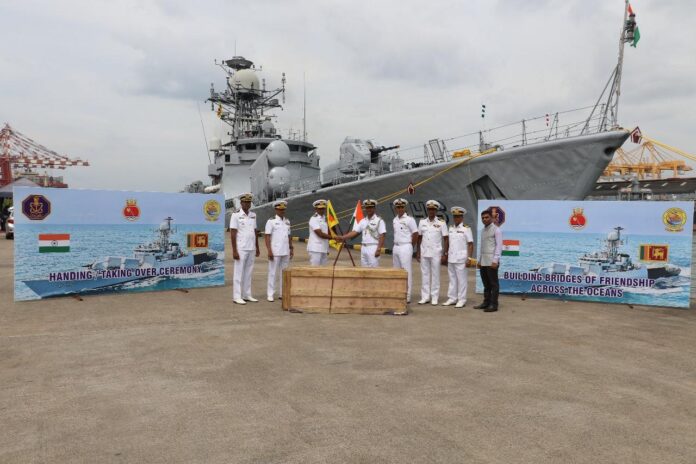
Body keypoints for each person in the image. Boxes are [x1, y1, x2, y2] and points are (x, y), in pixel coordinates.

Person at [416, 200, 448, 305]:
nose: (431, 211)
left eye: (433, 209)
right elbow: (419, 237)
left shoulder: (441, 223)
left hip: (436, 253)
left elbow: (446, 239)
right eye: (429, 209)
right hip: (424, 252)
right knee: (424, 275)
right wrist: (418, 251)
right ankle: (425, 297)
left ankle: (434, 297)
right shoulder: (422, 222)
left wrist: (445, 253)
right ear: (427, 210)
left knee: (435, 275)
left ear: (436, 210)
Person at [230, 193, 260, 305]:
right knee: (238, 273)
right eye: (245, 202)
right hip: (241, 248)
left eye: (249, 202)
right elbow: (233, 233)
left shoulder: (253, 215)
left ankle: (247, 294)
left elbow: (255, 232)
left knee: (248, 272)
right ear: (241, 203)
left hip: (251, 247)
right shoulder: (236, 215)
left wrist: (257, 247)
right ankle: (237, 296)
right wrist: (234, 250)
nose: (247, 204)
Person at [339, 199, 386, 268]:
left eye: (371, 207)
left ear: (374, 208)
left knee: (373, 271)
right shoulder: (363, 221)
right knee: (364, 270)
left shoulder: (379, 221)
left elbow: (382, 235)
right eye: (367, 207)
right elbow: (354, 232)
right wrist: (342, 237)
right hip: (363, 248)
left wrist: (378, 249)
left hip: (373, 248)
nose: (369, 209)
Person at [443, 206, 474, 308]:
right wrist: (446, 254)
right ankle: (452, 298)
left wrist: (469, 258)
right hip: (451, 258)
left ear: (462, 217)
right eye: (455, 216)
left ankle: (462, 299)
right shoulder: (451, 228)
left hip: (461, 259)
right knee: (452, 279)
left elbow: (470, 244)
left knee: (462, 280)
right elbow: (449, 243)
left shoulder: (466, 229)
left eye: (458, 216)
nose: (456, 218)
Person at [264, 200, 293, 302]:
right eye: (280, 209)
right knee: (272, 272)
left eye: (283, 209)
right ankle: (270, 294)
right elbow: (267, 236)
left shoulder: (287, 221)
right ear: (276, 209)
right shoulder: (271, 221)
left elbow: (289, 236)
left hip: (285, 251)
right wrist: (269, 251)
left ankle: (282, 293)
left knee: (284, 273)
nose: (282, 211)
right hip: (275, 251)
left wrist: (291, 248)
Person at [475, 208, 502, 312]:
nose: (484, 219)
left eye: (486, 217)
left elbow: (499, 246)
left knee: (493, 284)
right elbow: (482, 246)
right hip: (483, 261)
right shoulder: (483, 230)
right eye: (483, 218)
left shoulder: (496, 230)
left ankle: (494, 305)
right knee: (486, 284)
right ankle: (486, 302)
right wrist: (479, 260)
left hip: (492, 261)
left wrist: (495, 260)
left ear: (491, 218)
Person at [391, 198, 418, 303]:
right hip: (396, 247)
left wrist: (411, 246)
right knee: (396, 271)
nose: (400, 209)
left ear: (404, 207)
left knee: (406, 271)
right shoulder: (395, 219)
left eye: (402, 207)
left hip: (406, 246)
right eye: (398, 207)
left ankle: (407, 295)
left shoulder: (410, 220)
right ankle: (398, 292)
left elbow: (415, 233)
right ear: (396, 208)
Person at [307, 199, 331, 266]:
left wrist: (327, 248)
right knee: (315, 270)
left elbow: (326, 232)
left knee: (323, 270)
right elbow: (320, 234)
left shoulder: (324, 219)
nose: (322, 210)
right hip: (316, 249)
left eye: (323, 208)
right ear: (316, 209)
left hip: (324, 248)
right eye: (320, 208)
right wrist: (333, 237)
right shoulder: (313, 219)